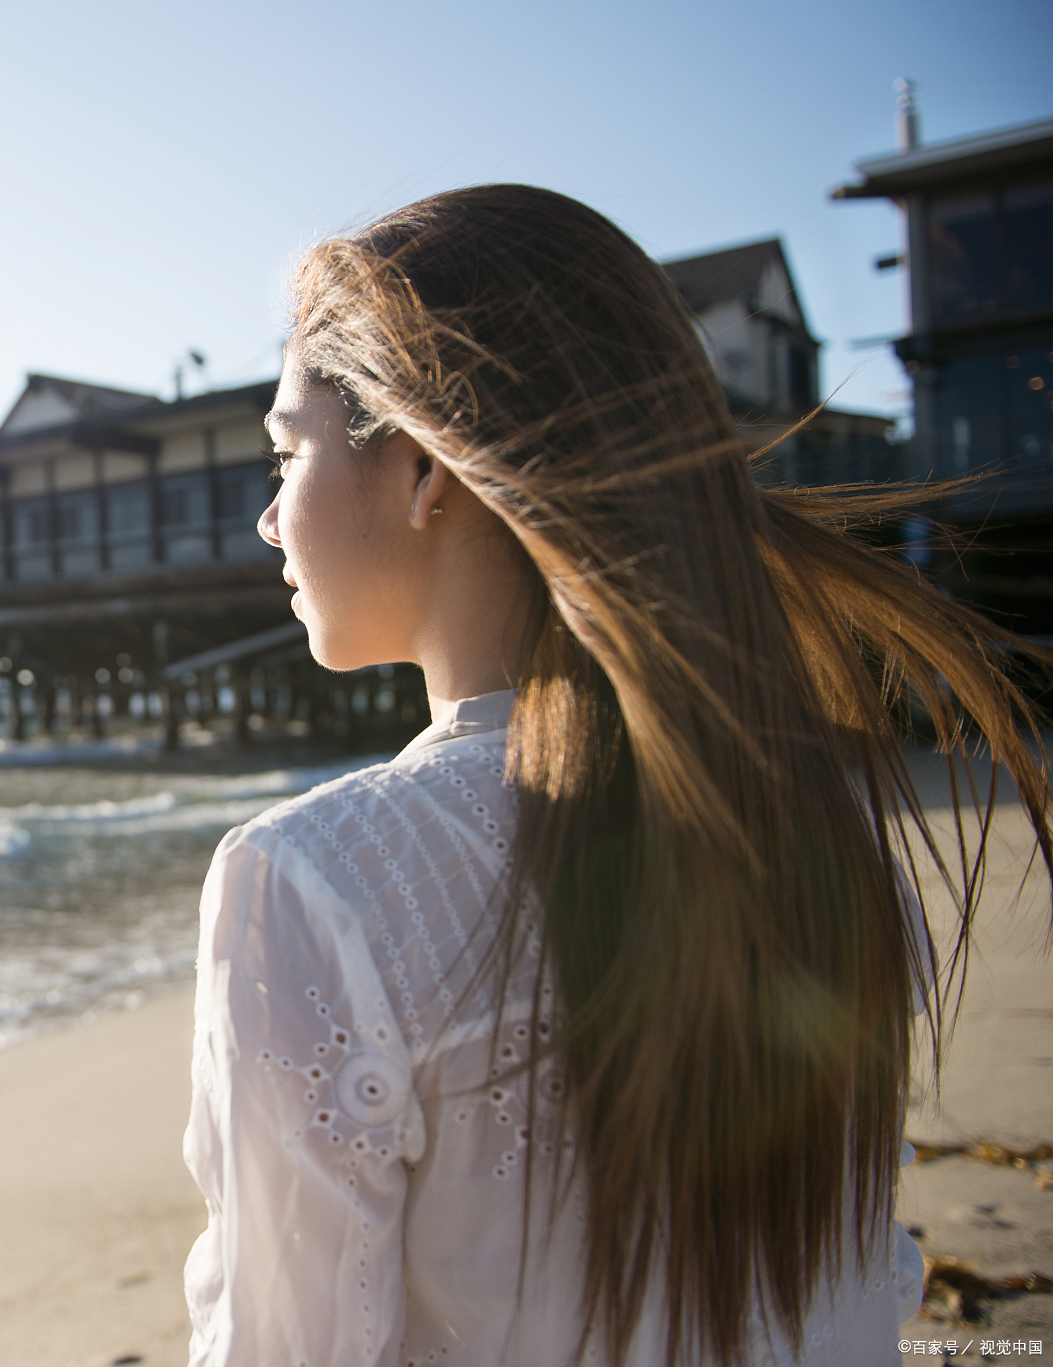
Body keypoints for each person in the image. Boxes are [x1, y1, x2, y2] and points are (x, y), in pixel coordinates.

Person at [181, 185, 1053, 1366]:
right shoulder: (822, 829)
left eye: (288, 453)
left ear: (426, 466)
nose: (267, 520)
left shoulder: (314, 884)